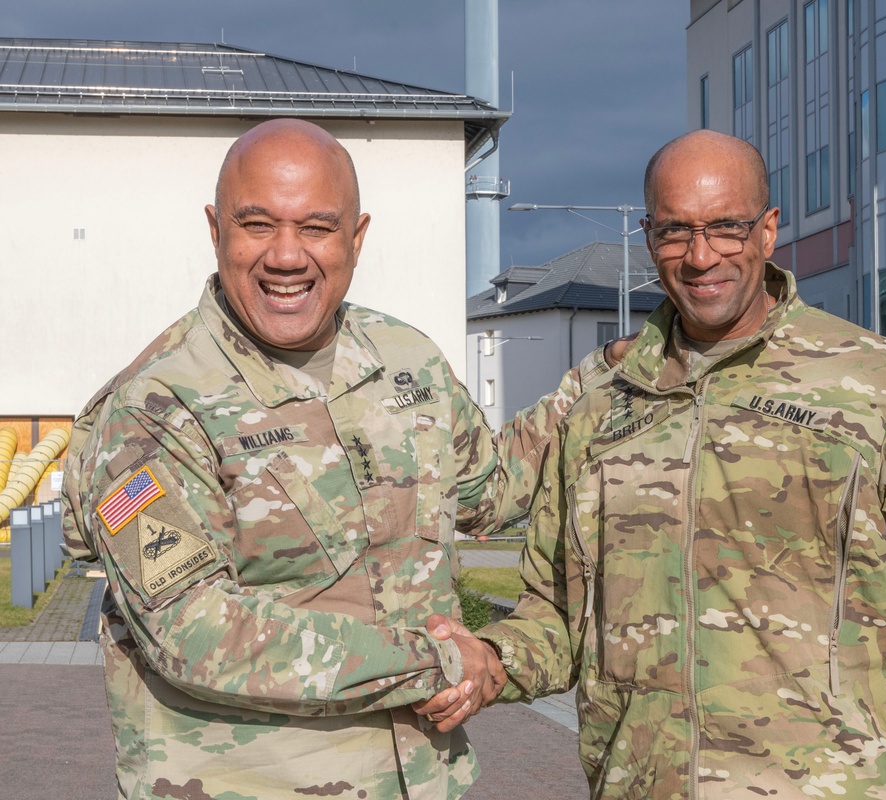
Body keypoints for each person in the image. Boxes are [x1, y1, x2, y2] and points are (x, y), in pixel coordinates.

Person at [428, 130, 886, 798]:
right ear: (648, 237)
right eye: (675, 231)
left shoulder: (881, 387)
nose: (701, 256)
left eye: (727, 227)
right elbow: (559, 614)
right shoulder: (600, 408)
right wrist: (491, 659)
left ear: (768, 230)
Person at [60, 118, 614, 800]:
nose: (286, 256)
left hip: (419, 780)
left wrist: (597, 386)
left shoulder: (405, 362)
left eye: (317, 227)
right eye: (257, 224)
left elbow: (489, 488)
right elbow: (193, 630)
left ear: (357, 237)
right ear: (215, 230)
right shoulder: (154, 409)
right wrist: (438, 663)